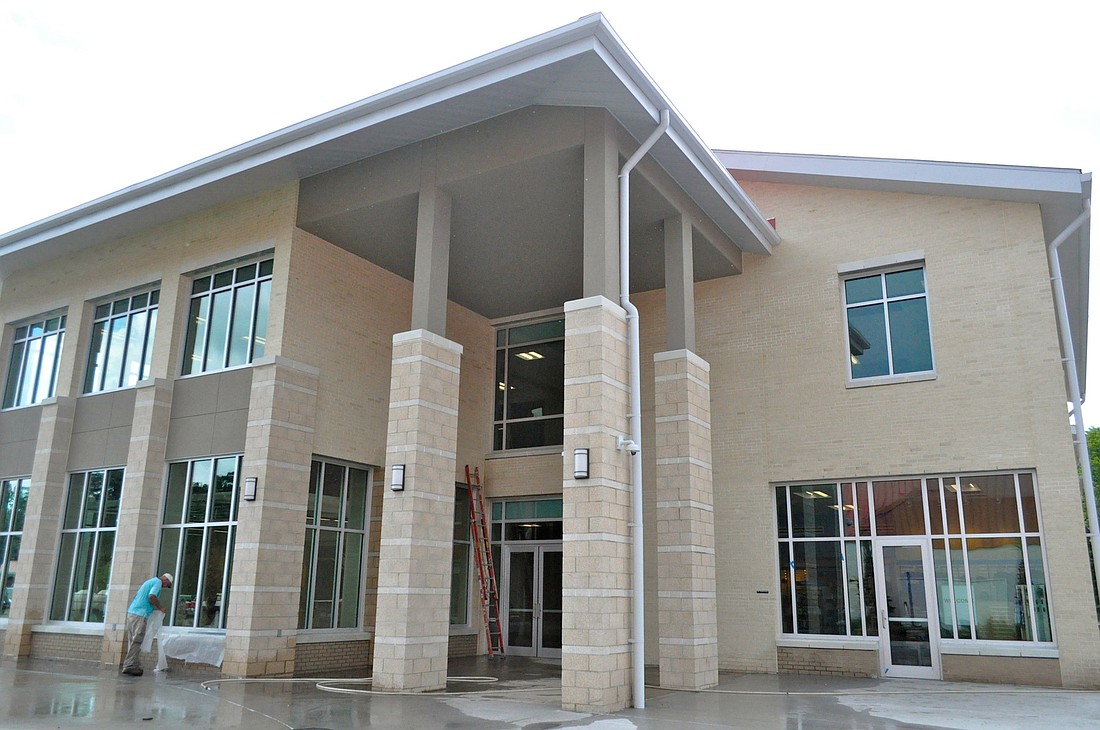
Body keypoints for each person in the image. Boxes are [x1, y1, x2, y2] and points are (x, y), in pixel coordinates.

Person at [121, 573, 173, 676]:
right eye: (167, 585)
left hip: (132, 613)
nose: (165, 587)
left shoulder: (149, 582)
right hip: (140, 614)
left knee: (133, 641)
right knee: (137, 640)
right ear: (166, 581)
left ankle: (134, 664)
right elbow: (152, 596)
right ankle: (129, 665)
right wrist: (160, 608)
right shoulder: (158, 583)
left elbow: (138, 596)